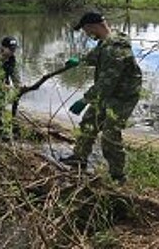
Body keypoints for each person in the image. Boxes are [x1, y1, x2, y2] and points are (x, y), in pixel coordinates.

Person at [60, 11, 142, 184]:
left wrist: (84, 100)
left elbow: (106, 83)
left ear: (93, 27)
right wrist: (80, 60)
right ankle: (79, 158)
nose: (86, 34)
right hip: (107, 93)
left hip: (122, 97)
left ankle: (118, 176)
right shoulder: (107, 42)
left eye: (86, 30)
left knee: (110, 136)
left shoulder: (115, 48)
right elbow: (96, 56)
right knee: (89, 123)